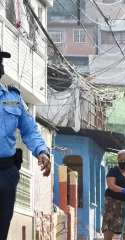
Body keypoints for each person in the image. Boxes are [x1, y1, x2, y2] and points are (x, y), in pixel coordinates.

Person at [0, 47, 51, 239]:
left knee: (2, 225)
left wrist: (42, 152)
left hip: (5, 174)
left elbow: (29, 130)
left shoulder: (12, 99)